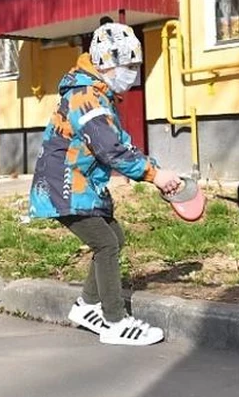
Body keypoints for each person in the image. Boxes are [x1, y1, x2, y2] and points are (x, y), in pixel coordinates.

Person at [28, 20, 182, 346]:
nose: (133, 73)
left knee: (114, 236)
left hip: (81, 186)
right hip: (65, 188)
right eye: (127, 66)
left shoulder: (99, 95)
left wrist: (154, 170)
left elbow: (120, 142)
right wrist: (154, 177)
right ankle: (114, 321)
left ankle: (86, 306)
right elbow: (110, 148)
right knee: (106, 243)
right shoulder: (87, 99)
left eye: (135, 66)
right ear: (105, 64)